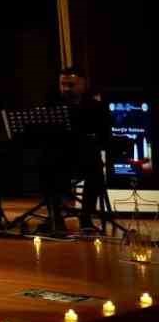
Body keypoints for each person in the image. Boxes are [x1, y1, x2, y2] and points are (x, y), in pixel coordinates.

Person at [46, 65, 112, 228]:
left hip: (85, 158)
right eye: (63, 84)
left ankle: (86, 216)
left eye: (71, 85)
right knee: (45, 165)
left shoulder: (96, 107)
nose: (66, 89)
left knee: (96, 170)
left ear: (83, 84)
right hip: (58, 158)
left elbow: (105, 136)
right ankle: (55, 217)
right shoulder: (51, 105)